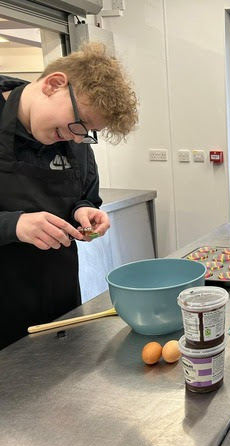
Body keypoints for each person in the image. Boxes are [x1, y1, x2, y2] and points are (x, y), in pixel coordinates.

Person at [0, 42, 138, 349]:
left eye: (87, 133)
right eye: (80, 124)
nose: (77, 138)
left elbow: (84, 195)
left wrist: (83, 210)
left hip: (58, 303)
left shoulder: (74, 139)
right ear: (54, 84)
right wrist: (14, 226)